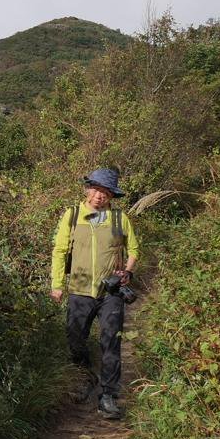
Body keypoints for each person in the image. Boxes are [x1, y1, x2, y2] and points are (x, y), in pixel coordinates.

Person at [50, 167, 140, 419]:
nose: (100, 196)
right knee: (75, 338)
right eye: (96, 189)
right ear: (87, 189)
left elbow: (133, 249)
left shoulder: (119, 219)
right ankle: (85, 376)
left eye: (106, 192)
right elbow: (59, 251)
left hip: (110, 293)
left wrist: (127, 272)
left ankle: (108, 396)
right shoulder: (72, 215)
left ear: (112, 195)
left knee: (111, 342)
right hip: (79, 290)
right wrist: (57, 285)